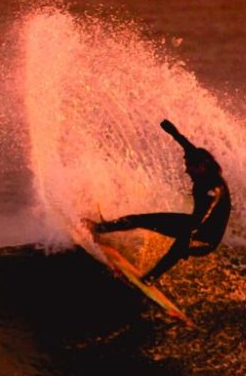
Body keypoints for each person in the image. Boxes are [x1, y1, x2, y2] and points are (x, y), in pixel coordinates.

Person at [89, 119, 231, 283]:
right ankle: (101, 228)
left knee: (181, 243)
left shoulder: (214, 189)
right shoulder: (199, 158)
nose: (186, 170)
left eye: (189, 167)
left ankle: (151, 278)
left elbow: (201, 219)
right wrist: (173, 131)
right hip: (192, 222)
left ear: (202, 167)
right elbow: (184, 142)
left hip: (208, 235)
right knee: (141, 220)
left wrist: (189, 249)